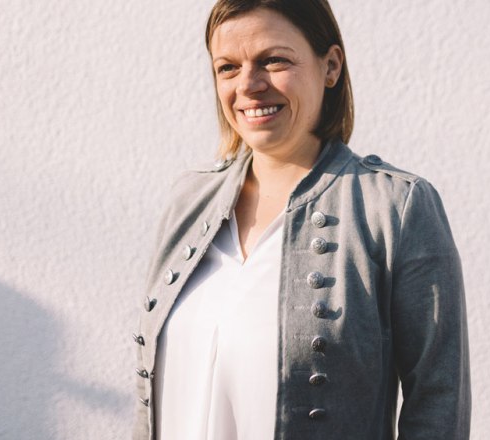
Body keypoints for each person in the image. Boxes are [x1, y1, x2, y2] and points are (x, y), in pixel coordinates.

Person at [132, 0, 471, 438]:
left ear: (330, 66)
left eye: (273, 60)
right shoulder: (188, 200)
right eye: (227, 68)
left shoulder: (395, 207)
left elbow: (439, 401)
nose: (249, 85)